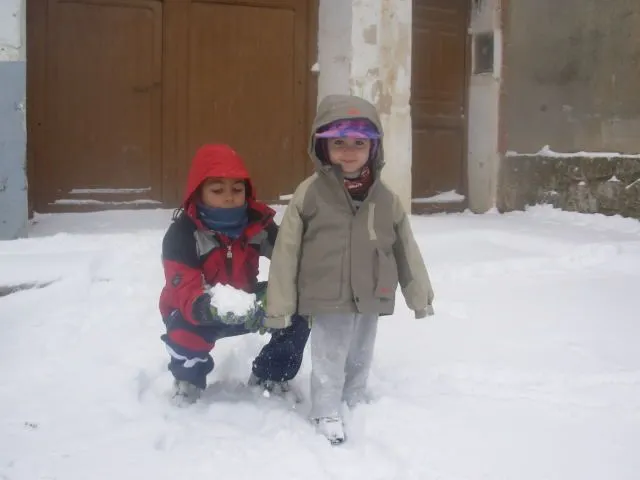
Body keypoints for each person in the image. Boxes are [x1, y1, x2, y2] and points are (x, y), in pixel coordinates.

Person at [263, 95, 434, 444]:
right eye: (338, 142)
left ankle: (354, 398)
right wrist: (279, 304)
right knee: (329, 352)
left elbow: (406, 248)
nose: (349, 151)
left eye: (359, 143)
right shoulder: (309, 194)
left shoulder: (386, 198)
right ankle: (325, 409)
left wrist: (419, 296)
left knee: (360, 350)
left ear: (373, 148)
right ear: (321, 146)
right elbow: (287, 250)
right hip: (326, 293)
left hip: (372, 289)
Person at [159, 144, 310, 405]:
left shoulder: (257, 224)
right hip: (196, 308)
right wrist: (209, 308)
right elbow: (182, 286)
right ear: (198, 193)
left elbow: (290, 258)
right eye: (217, 190)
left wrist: (287, 290)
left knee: (298, 309)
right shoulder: (183, 235)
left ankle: (272, 374)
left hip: (249, 303)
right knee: (182, 332)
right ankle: (188, 378)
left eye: (237, 189)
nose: (229, 197)